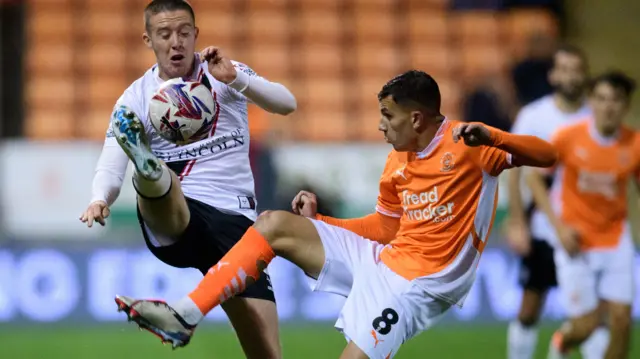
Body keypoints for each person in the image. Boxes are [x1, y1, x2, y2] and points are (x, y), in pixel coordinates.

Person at [117, 70, 558, 358]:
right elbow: (386, 228)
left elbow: (549, 154)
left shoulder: (472, 148)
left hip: (419, 287)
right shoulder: (396, 162)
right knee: (273, 225)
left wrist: (496, 137)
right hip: (384, 261)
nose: (381, 126)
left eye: (388, 117)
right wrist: (320, 223)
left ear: (419, 119)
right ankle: (185, 314)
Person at [78, 0, 296, 358]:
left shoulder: (225, 72)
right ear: (148, 39)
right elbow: (111, 163)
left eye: (183, 33)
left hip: (238, 226)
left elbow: (286, 104)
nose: (175, 42)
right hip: (181, 214)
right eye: (164, 34)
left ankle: (152, 174)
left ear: (196, 35)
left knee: (267, 353)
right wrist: (100, 197)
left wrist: (236, 79)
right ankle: (149, 171)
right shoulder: (135, 99)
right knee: (165, 181)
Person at [505, 44, 610, 359]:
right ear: (553, 74)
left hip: (586, 230)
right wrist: (517, 222)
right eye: (563, 69)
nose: (570, 76)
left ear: (584, 74)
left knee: (592, 315)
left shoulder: (596, 117)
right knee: (529, 309)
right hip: (541, 227)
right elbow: (515, 170)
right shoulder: (533, 116)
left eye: (576, 69)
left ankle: (563, 348)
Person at [525, 71, 638, 359]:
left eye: (615, 100)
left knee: (622, 320)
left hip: (615, 240)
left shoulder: (634, 144)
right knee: (586, 327)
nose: (608, 106)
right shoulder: (567, 137)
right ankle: (562, 342)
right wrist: (559, 228)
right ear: (591, 101)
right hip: (575, 241)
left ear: (626, 105)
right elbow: (535, 179)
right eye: (601, 98)